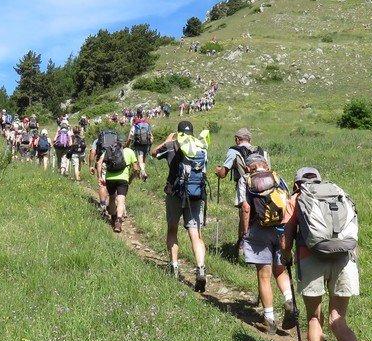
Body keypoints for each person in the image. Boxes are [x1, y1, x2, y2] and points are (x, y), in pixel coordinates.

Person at [282, 167, 372, 341]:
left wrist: (285, 256)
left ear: (296, 183)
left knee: (314, 318)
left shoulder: (296, 198)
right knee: (337, 319)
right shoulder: (338, 193)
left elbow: (287, 236)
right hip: (344, 258)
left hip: (310, 258)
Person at [240, 153, 296, 335]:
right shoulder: (277, 177)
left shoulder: (246, 180)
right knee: (280, 270)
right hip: (281, 231)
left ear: (249, 167)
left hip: (259, 231)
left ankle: (269, 320)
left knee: (264, 276)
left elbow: (246, 208)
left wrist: (245, 232)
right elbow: (288, 201)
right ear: (264, 164)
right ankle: (289, 299)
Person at [151, 120, 208, 292]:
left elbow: (153, 153)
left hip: (175, 194)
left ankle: (174, 266)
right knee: (196, 235)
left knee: (172, 230)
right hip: (196, 195)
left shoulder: (172, 145)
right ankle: (200, 268)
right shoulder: (201, 146)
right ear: (192, 132)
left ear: (179, 132)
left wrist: (168, 139)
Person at [214, 127, 266, 257]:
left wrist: (218, 171)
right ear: (250, 139)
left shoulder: (233, 151)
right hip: (264, 187)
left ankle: (243, 242)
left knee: (244, 213)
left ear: (237, 140)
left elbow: (223, 174)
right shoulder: (261, 151)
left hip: (244, 186)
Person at [96, 136, 137, 232]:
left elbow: (99, 163)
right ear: (126, 142)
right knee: (121, 199)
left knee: (112, 197)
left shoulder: (109, 150)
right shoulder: (130, 151)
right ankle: (118, 220)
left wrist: (100, 177)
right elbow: (135, 168)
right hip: (123, 179)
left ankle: (113, 217)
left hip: (110, 178)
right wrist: (130, 179)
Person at [128, 108, 153, 182]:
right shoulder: (147, 124)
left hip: (138, 144)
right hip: (146, 144)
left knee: (140, 159)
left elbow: (131, 136)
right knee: (143, 160)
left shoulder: (135, 124)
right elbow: (151, 135)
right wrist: (150, 145)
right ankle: (143, 174)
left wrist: (128, 144)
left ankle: (143, 172)